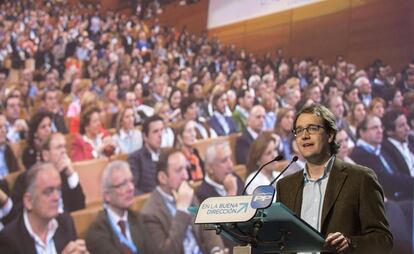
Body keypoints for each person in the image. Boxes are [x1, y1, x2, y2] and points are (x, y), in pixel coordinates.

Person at [277, 104, 392, 253]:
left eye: (312, 128)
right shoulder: (285, 186)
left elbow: (383, 240)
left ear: (330, 135)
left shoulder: (361, 178)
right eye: (299, 130)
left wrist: (350, 243)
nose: (304, 135)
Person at [141, 149, 225, 254]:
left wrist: (216, 250)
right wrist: (182, 211)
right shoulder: (150, 214)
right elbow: (168, 252)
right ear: (163, 178)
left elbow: (208, 228)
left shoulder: (187, 193)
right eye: (179, 170)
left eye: (186, 169)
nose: (186, 176)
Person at [0, 163, 89, 254]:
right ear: (29, 201)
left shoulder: (65, 223)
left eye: (58, 189)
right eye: (48, 191)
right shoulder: (9, 239)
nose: (56, 197)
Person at [85, 161, 149, 254]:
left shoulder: (139, 219)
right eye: (123, 184)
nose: (131, 188)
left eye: (131, 181)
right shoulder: (97, 231)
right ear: (107, 195)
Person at [127, 115, 164, 195]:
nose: (160, 135)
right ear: (145, 137)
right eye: (155, 131)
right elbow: (132, 188)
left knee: (194, 207)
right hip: (149, 203)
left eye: (161, 130)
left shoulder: (166, 155)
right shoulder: (136, 158)